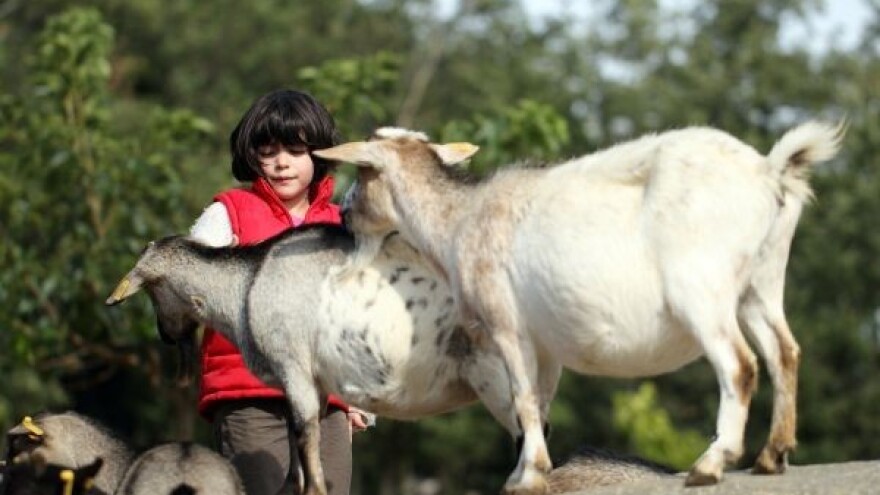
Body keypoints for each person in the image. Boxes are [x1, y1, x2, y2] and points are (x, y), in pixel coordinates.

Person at [188, 89, 368, 495]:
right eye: (268, 151)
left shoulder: (342, 224)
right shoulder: (227, 213)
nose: (281, 162)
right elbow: (192, 287)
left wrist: (359, 400)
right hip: (249, 394)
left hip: (327, 399)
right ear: (251, 156)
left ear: (319, 154)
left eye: (295, 149)